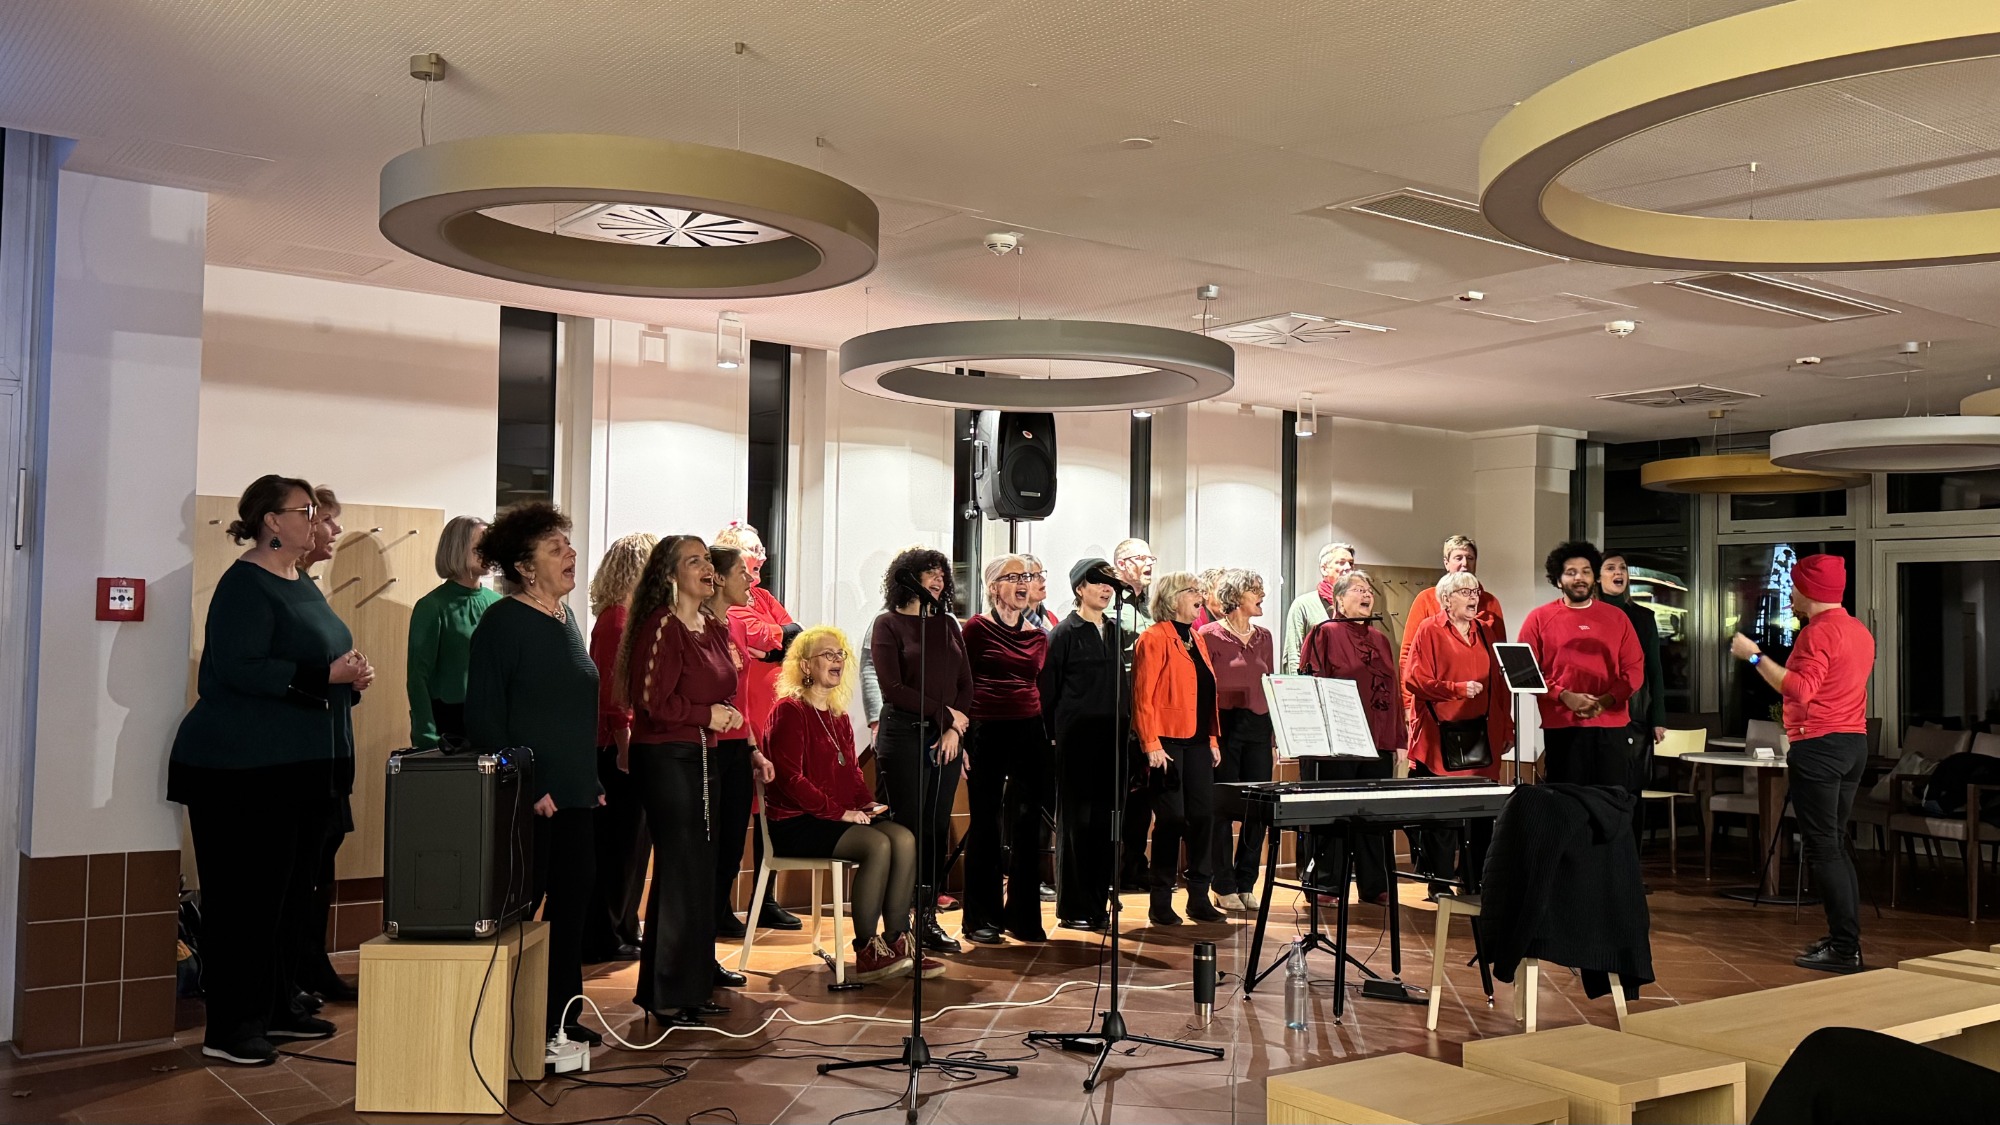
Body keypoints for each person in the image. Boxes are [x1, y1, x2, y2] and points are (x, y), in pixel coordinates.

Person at [170, 475, 370, 1065]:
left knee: (288, 899)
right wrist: (324, 676)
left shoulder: (298, 579)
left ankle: (278, 1009)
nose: (316, 519)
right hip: (242, 772)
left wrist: (349, 678)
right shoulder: (244, 584)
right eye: (304, 510)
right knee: (246, 902)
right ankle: (231, 1029)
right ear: (271, 522)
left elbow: (314, 659)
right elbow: (238, 668)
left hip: (302, 770)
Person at [464, 501, 605, 1048]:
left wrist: (590, 780)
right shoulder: (503, 622)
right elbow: (485, 718)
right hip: (530, 797)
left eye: (568, 545)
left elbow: (569, 710)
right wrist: (528, 784)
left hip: (574, 795)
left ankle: (561, 1018)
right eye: (555, 549)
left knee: (572, 910)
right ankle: (513, 1026)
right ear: (525, 567)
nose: (571, 554)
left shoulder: (565, 619)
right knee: (523, 914)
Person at [619, 535, 754, 1026]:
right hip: (667, 757)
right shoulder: (664, 625)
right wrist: (706, 715)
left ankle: (692, 987)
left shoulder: (711, 626)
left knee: (699, 871)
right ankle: (665, 992)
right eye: (693, 561)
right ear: (670, 575)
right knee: (679, 870)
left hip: (703, 754)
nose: (706, 568)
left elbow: (720, 687)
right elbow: (652, 702)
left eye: (707, 560)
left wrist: (720, 714)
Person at [764, 627, 937, 982]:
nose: (837, 661)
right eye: (827, 654)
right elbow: (790, 780)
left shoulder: (839, 716)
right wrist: (841, 812)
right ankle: (867, 948)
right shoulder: (789, 711)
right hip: (795, 822)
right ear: (805, 665)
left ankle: (897, 940)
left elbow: (853, 775)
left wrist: (866, 804)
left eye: (840, 654)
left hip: (834, 818)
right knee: (876, 845)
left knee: (903, 838)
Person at [1729, 553, 1874, 974]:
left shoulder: (1818, 632)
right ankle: (1844, 938)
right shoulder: (1858, 631)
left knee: (1824, 847)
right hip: (1853, 743)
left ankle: (1845, 948)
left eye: (1794, 586)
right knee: (1834, 843)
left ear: (1810, 589)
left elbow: (1800, 689)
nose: (1790, 593)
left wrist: (1754, 656)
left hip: (1820, 745)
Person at [869, 546, 973, 954]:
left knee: (934, 828)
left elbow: (965, 683)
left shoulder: (947, 624)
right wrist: (945, 717)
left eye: (942, 573)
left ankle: (926, 918)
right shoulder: (888, 624)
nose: (939, 579)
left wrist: (953, 729)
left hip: (947, 738)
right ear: (908, 578)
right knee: (908, 829)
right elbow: (893, 688)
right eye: (930, 572)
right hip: (904, 736)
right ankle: (898, 923)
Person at [712, 521, 804, 934]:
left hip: (769, 719)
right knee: (733, 819)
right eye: (753, 551)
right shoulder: (729, 605)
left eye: (763, 550)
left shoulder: (761, 595)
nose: (761, 558)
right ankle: (719, 906)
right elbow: (760, 633)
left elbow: (794, 635)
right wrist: (773, 642)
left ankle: (764, 898)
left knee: (770, 810)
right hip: (739, 720)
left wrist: (773, 645)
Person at [1298, 570, 1405, 904]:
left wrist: (1399, 738)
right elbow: (1312, 683)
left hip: (1378, 739)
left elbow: (1393, 690)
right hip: (1339, 740)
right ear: (1339, 600)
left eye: (1369, 590)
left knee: (1373, 815)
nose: (1366, 594)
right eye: (1358, 589)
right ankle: (1326, 884)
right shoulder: (1324, 632)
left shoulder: (1381, 639)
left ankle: (1375, 884)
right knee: (1334, 813)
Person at [290, 487, 358, 1007]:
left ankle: (312, 965)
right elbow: (265, 674)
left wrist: (350, 681)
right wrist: (330, 676)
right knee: (299, 872)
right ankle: (292, 975)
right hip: (298, 758)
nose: (333, 530)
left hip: (329, 751)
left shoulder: (307, 588)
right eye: (327, 520)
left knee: (321, 867)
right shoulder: (273, 588)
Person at [960, 556, 1051, 945]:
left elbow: (1040, 685)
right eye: (1012, 577)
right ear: (993, 586)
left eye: (1026, 576)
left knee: (1029, 823)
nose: (1022, 583)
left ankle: (1023, 917)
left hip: (1029, 728)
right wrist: (962, 737)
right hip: (986, 728)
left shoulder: (1038, 635)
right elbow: (962, 682)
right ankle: (981, 917)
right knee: (986, 822)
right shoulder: (976, 628)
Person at [1403, 570, 1513, 886]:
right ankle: (1439, 883)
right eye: (1465, 592)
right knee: (1441, 818)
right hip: (1440, 738)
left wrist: (1507, 726)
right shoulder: (1430, 629)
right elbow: (1415, 680)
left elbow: (1500, 686)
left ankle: (1476, 882)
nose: (1473, 597)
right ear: (1446, 599)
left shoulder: (1487, 632)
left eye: (1475, 591)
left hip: (1482, 739)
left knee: (1480, 817)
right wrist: (1456, 689)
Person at [1132, 570, 1227, 926]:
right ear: (1172, 599)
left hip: (1199, 741)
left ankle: (1199, 897)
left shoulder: (1197, 638)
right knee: (1171, 820)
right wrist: (1150, 743)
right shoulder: (1153, 637)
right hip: (1166, 742)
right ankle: (1160, 900)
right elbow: (1142, 697)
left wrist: (1213, 739)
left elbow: (1206, 692)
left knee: (1202, 818)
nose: (1200, 595)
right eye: (1192, 590)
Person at [1518, 542, 1645, 799]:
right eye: (1571, 572)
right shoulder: (1538, 618)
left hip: (1612, 727)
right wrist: (1564, 696)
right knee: (1567, 804)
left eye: (1586, 571)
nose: (1579, 578)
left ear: (1594, 577)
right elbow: (1523, 671)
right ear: (1558, 580)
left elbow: (1634, 670)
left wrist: (1605, 701)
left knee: (1611, 803)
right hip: (1562, 726)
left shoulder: (1617, 618)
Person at [582, 532, 655, 964]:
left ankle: (626, 924)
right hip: (615, 746)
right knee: (618, 844)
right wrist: (626, 743)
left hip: (627, 742)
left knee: (634, 843)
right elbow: (614, 692)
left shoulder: (629, 617)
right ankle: (606, 932)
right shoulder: (616, 620)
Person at [1041, 559, 1125, 931]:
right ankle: (1074, 907)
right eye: (1098, 582)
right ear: (1080, 588)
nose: (1106, 589)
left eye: (1110, 583)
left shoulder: (1117, 631)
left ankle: (1098, 902)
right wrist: (1052, 736)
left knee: (1106, 823)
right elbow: (1048, 690)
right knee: (1077, 824)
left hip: (1112, 739)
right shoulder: (1064, 633)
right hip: (1076, 740)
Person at [1198, 568, 1276, 912]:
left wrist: (1273, 735)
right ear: (1235, 597)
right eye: (1254, 590)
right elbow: (1204, 690)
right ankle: (1223, 883)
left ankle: (1246, 881)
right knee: (1223, 808)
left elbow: (1269, 685)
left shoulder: (1265, 636)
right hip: (1225, 728)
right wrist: (1210, 738)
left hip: (1258, 726)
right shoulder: (1208, 634)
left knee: (1257, 808)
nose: (1262, 595)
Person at [703, 545, 762, 957]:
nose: (751, 580)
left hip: (739, 743)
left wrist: (754, 746)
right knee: (711, 841)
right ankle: (703, 931)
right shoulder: (700, 626)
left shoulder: (736, 624)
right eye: (743, 572)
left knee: (732, 842)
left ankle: (719, 912)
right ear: (720, 579)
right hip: (709, 744)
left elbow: (743, 697)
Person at [407, 516, 499, 749]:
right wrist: (426, 734)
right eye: (480, 548)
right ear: (458, 548)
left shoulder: (497, 604)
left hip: (492, 718)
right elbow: (418, 677)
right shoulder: (432, 606)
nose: (488, 554)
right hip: (450, 720)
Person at [1601, 550, 1668, 850]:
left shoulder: (1643, 617)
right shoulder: (1589, 613)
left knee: (1633, 790)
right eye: (1611, 568)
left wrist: (1658, 719)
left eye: (1623, 568)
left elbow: (1655, 670)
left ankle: (1631, 863)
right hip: (1598, 714)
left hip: (1635, 714)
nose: (1619, 573)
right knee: (1602, 789)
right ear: (1597, 577)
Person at [1398, 535, 1507, 712]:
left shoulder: (1490, 602)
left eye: (1470, 558)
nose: (1464, 564)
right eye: (1458, 558)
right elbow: (1408, 656)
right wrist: (1408, 705)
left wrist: (1503, 713)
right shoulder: (1426, 600)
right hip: (1437, 707)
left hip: (1481, 706)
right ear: (1446, 563)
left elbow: (1501, 662)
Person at [1111, 537, 1156, 891]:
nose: (1149, 563)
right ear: (1122, 564)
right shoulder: (1111, 602)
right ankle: (1111, 867)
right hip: (1119, 711)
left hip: (1148, 712)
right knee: (1118, 796)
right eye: (1142, 557)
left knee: (1143, 797)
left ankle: (1135, 865)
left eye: (1151, 557)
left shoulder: (1152, 607)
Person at [1282, 542, 1356, 674]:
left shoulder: (1357, 606)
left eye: (1351, 563)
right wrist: (1298, 683)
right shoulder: (1304, 604)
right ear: (1324, 569)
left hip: (1350, 681)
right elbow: (1293, 653)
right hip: (1315, 680)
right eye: (1341, 562)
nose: (1348, 568)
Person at [1021, 553, 1057, 632]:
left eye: (1041, 573)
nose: (1043, 579)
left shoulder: (1051, 618)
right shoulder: (1012, 622)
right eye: (1035, 575)